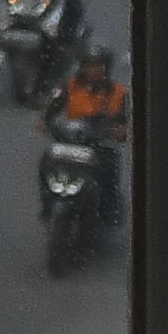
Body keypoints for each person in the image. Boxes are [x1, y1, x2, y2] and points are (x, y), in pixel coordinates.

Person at [55, 44, 131, 222]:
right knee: (49, 160)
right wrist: (44, 121)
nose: (94, 71)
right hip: (72, 142)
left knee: (110, 166)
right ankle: (49, 200)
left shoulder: (118, 92)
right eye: (90, 66)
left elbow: (123, 122)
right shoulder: (70, 86)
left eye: (99, 66)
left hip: (99, 144)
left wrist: (119, 130)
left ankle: (110, 208)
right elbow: (53, 108)